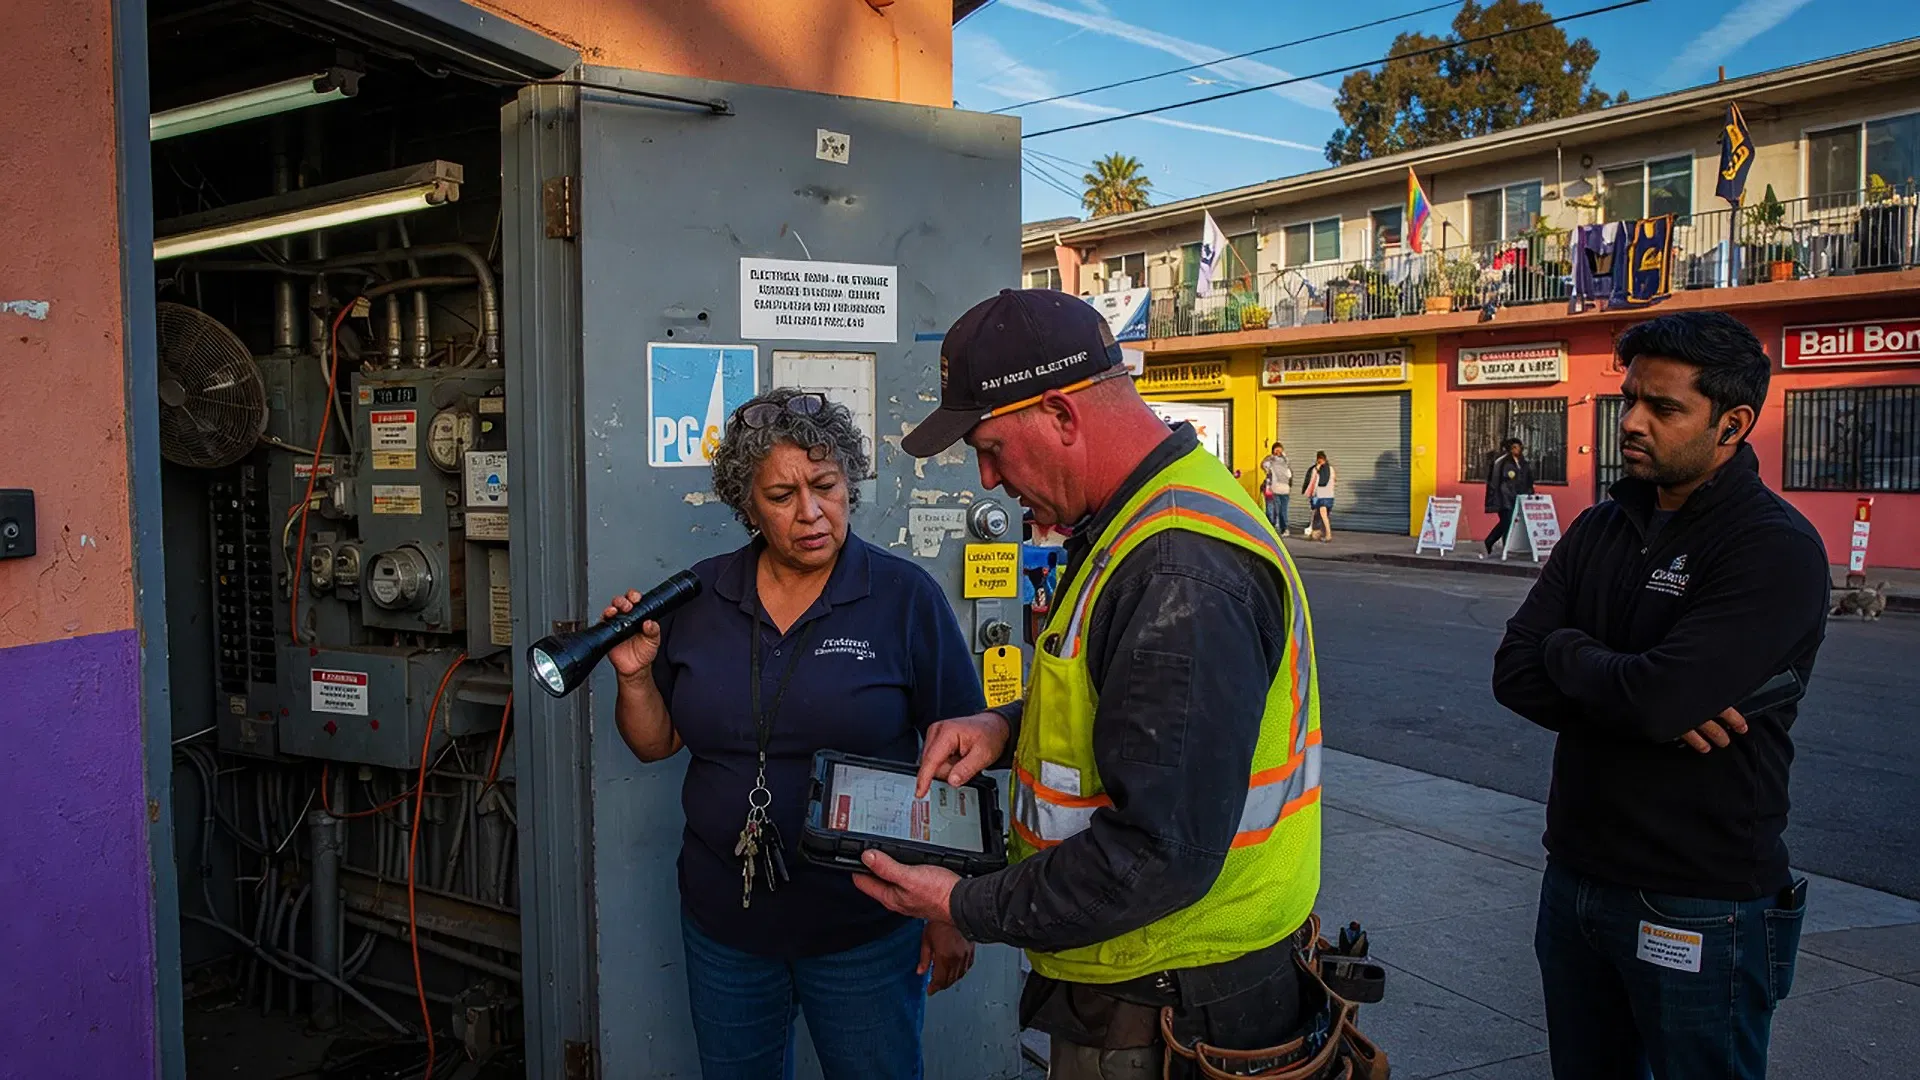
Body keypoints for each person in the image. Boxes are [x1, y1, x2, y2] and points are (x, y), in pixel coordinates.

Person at [856, 289, 1336, 1079]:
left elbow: (1158, 851)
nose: (986, 479)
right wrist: (1004, 728)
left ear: (1061, 414)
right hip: (1151, 988)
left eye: (991, 447)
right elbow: (1131, 702)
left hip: (1173, 1008)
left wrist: (959, 902)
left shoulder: (1181, 567)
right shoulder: (1145, 514)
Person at [604, 388, 982, 1079]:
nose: (811, 513)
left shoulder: (903, 598)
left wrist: (950, 903)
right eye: (782, 495)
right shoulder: (700, 596)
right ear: (747, 508)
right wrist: (633, 678)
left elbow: (962, 759)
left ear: (849, 484)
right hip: (725, 927)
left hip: (865, 925)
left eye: (826, 486)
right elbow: (656, 744)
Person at [1491, 311, 1828, 1080]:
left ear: (1732, 424)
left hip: (1699, 902)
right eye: (1631, 398)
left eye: (1664, 408)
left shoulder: (1771, 546)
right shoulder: (1600, 527)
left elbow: (1659, 699)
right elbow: (1513, 671)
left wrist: (1568, 649)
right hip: (1574, 879)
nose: (1633, 422)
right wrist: (1621, 677)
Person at [1481, 438, 1535, 558]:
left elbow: (1528, 480)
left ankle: (1490, 541)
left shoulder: (1523, 463)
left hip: (1519, 498)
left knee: (1507, 523)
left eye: (1519, 447)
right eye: (1514, 447)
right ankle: (1504, 546)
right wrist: (1506, 499)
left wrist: (1529, 492)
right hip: (1504, 498)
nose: (1517, 449)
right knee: (1507, 522)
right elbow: (1501, 484)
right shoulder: (1503, 463)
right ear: (1509, 449)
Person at [1259, 441, 1293, 535]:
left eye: (1280, 449)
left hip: (1285, 490)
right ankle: (1273, 527)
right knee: (1274, 510)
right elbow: (1263, 465)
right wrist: (1271, 457)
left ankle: (1284, 528)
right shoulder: (1271, 461)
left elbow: (1289, 474)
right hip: (1275, 489)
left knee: (1283, 510)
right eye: (1276, 449)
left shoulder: (1286, 461)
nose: (1278, 451)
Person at [1303, 451, 1336, 541]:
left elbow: (1313, 483)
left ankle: (1328, 535)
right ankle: (1317, 533)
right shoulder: (1331, 469)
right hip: (1329, 496)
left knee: (1323, 516)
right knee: (1320, 516)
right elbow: (1335, 480)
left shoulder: (1316, 469)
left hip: (1321, 496)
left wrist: (1311, 495)